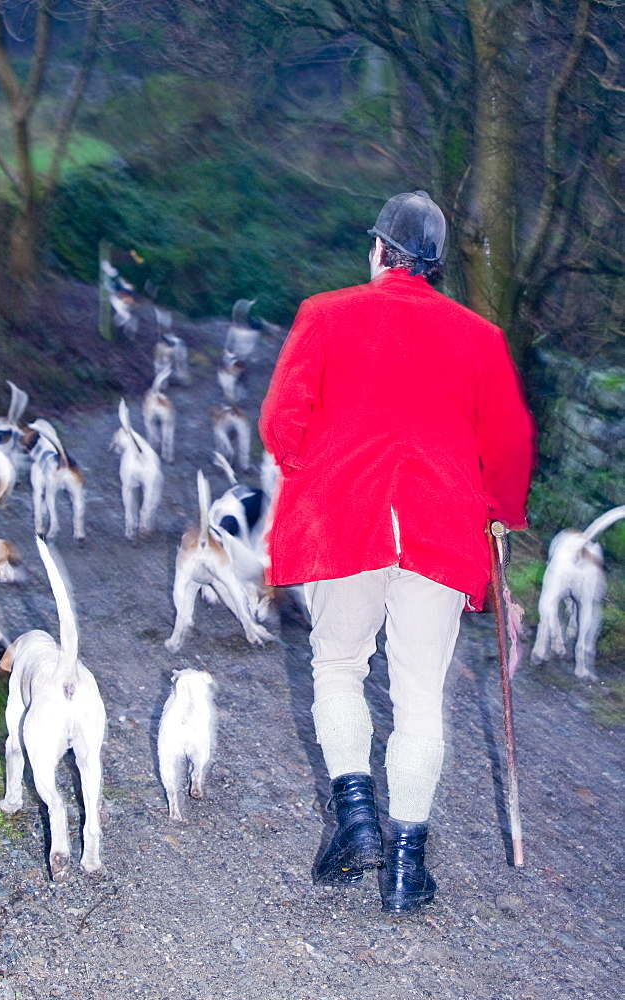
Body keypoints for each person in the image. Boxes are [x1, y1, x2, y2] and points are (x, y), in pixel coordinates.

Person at [258, 190, 535, 913]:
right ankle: (408, 868)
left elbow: (280, 422)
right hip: (441, 532)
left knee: (340, 665)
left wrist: (308, 468)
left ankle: (354, 821)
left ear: (378, 249)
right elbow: (508, 448)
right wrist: (501, 514)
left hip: (346, 519)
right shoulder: (481, 337)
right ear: (436, 265)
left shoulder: (325, 313)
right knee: (419, 698)